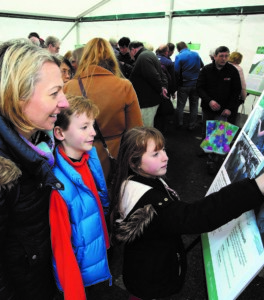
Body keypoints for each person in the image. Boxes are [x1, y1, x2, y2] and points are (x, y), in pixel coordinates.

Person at [110, 126, 264, 300]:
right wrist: (256, 187)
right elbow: (197, 216)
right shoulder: (153, 205)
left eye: (164, 150)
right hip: (151, 280)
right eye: (155, 154)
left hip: (143, 272)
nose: (165, 157)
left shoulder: (132, 182)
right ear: (134, 163)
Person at [0, 39, 69, 299]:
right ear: (17, 96)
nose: (64, 103)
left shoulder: (40, 140)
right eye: (54, 93)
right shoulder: (5, 171)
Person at [50, 95, 111, 300]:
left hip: (96, 252)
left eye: (93, 125)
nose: (93, 132)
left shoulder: (87, 158)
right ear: (59, 133)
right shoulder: (59, 187)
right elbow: (62, 249)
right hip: (81, 272)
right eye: (84, 127)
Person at [64, 37, 143, 179]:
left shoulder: (69, 86)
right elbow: (135, 129)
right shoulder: (124, 86)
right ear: (111, 58)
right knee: (112, 195)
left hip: (77, 156)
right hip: (114, 155)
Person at [197, 46, 242, 138]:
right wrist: (209, 101)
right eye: (221, 56)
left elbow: (236, 91)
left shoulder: (232, 71)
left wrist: (229, 108)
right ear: (215, 56)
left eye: (226, 56)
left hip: (224, 109)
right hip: (208, 108)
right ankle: (205, 152)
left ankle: (215, 152)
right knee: (206, 133)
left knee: (219, 135)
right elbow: (199, 88)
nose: (224, 59)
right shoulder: (206, 70)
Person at [128, 41, 168, 127]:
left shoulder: (143, 57)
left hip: (147, 101)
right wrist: (163, 86)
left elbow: (154, 76)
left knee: (145, 129)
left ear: (133, 50)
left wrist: (161, 89)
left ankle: (148, 141)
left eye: (129, 52)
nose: (130, 55)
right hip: (151, 100)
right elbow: (162, 74)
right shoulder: (149, 54)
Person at [174, 41, 203, 130]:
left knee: (180, 106)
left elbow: (176, 71)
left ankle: (179, 123)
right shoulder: (196, 54)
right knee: (194, 106)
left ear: (178, 49)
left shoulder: (179, 56)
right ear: (186, 46)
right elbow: (202, 66)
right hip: (195, 85)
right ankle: (192, 125)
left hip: (183, 85)